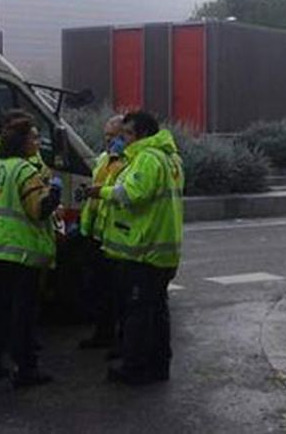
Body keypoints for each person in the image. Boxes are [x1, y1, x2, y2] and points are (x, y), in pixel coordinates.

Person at [88, 111, 184, 385]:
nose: (123, 139)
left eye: (127, 134)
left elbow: (132, 194)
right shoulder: (171, 158)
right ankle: (157, 366)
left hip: (145, 249)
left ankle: (134, 367)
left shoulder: (147, 158)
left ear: (141, 134)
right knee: (157, 311)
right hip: (162, 248)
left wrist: (101, 192)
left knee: (138, 312)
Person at [0, 116, 62, 388]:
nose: (37, 143)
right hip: (21, 252)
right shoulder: (26, 171)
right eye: (34, 138)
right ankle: (25, 370)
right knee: (23, 315)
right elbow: (37, 210)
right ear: (23, 142)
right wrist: (54, 195)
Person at [78, 115, 126, 350]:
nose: (108, 141)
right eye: (106, 136)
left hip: (114, 236)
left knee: (115, 292)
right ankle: (102, 334)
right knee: (98, 290)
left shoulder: (129, 161)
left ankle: (117, 340)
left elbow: (121, 194)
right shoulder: (104, 159)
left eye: (114, 136)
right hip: (96, 233)